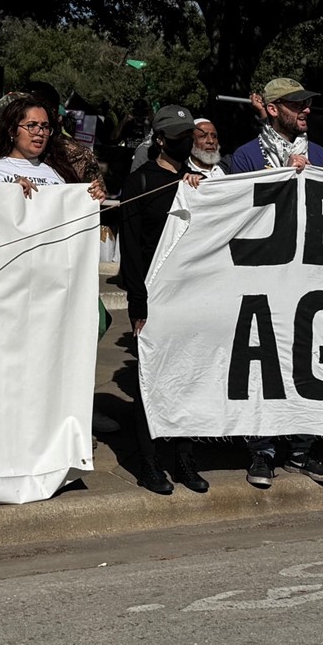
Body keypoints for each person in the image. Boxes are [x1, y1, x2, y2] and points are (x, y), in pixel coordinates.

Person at [117, 104, 208, 495]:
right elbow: (132, 250)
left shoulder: (199, 181)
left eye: (192, 136)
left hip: (191, 297)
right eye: (179, 138)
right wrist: (139, 303)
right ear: (160, 140)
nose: (188, 143)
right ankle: (149, 461)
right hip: (154, 298)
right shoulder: (139, 182)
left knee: (187, 381)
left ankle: (184, 458)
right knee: (151, 383)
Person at [0, 98, 106, 200]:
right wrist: (7, 194)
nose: (40, 132)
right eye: (31, 125)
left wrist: (91, 200)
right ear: (11, 131)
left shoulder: (58, 174)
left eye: (45, 127)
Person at [231, 78, 323, 173]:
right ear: (273, 110)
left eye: (307, 103)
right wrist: (287, 174)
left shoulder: (320, 154)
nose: (307, 110)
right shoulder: (246, 157)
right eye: (296, 105)